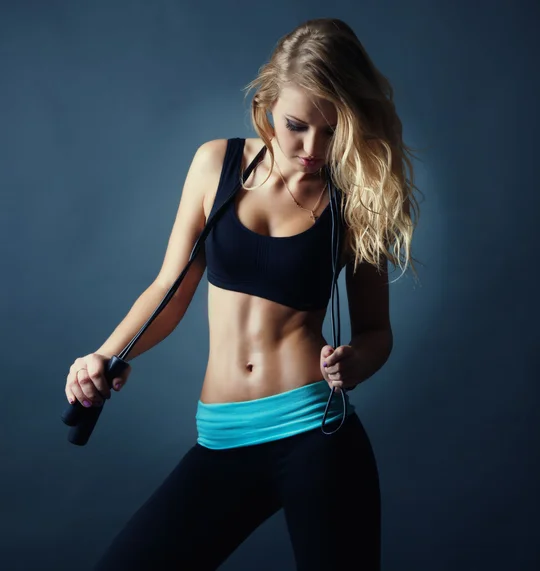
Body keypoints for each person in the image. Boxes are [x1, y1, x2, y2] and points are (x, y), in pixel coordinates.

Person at [65, 17, 420, 571]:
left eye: (332, 131)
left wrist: (358, 363)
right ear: (269, 103)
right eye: (297, 125)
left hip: (316, 435)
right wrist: (107, 355)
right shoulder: (217, 164)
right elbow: (170, 289)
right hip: (222, 439)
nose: (313, 147)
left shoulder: (357, 199)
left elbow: (378, 333)